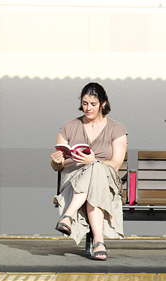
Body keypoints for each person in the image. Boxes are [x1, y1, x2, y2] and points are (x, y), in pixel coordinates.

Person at [50, 82, 128, 260]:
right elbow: (57, 167)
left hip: (106, 179)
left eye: (93, 104)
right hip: (73, 179)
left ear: (103, 104)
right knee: (94, 177)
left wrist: (93, 161)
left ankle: (67, 216)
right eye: (85, 103)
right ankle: (99, 242)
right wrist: (56, 161)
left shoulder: (117, 129)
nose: (88, 108)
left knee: (96, 169)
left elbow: (116, 164)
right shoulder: (68, 127)